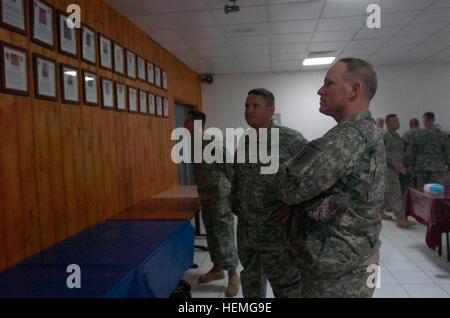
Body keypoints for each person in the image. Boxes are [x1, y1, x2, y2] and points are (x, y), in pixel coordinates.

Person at [275, 58, 385, 297]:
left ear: (354, 90)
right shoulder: (368, 130)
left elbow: (289, 188)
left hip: (337, 273)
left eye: (329, 83)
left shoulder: (346, 138)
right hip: (354, 257)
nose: (320, 90)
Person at [231, 88, 306, 298]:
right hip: (248, 229)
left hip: (277, 231)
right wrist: (235, 204)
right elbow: (238, 178)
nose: (249, 110)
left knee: (286, 285)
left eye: (255, 106)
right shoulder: (245, 140)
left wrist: (295, 206)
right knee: (251, 280)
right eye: (246, 106)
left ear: (271, 109)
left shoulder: (291, 139)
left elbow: (313, 177)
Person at [184, 110, 240, 297]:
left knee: (224, 236)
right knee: (212, 235)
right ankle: (217, 269)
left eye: (188, 121)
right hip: (207, 198)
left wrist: (234, 195)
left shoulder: (212, 142)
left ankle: (233, 275)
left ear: (197, 123)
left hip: (221, 197)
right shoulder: (195, 144)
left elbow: (230, 167)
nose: (185, 125)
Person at [382, 114, 415, 228]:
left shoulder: (396, 136)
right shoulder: (385, 136)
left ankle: (380, 211)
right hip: (387, 170)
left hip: (396, 169)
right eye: (395, 120)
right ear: (388, 123)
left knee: (386, 192)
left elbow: (401, 153)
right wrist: (393, 162)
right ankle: (400, 218)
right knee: (395, 192)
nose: (398, 122)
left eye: (397, 120)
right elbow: (380, 153)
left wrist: (406, 165)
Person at [406, 112, 450, 188]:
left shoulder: (418, 134)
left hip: (421, 167)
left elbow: (412, 151)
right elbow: (448, 151)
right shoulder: (442, 134)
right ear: (433, 120)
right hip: (437, 167)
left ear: (425, 120)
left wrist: (411, 165)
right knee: (436, 191)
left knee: (422, 191)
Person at [401, 118, 420, 190]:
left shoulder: (407, 133)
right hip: (420, 162)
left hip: (408, 161)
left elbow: (402, 148)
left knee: (408, 182)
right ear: (418, 124)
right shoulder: (423, 133)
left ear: (410, 125)